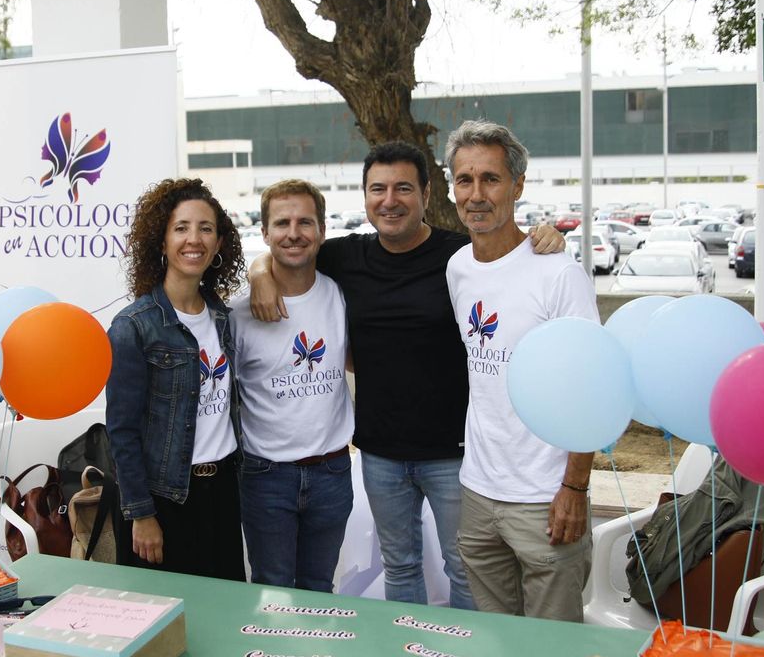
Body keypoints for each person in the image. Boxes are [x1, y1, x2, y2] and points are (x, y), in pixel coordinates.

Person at [250, 141, 564, 609]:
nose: (390, 200)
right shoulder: (345, 258)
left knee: (465, 569)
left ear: (426, 193)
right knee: (400, 565)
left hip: (455, 454)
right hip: (380, 453)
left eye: (403, 188)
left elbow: (512, 255)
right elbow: (288, 254)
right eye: (378, 189)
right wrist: (259, 271)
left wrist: (547, 236)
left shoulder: (461, 257)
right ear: (364, 197)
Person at [443, 120, 598, 620]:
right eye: (464, 180)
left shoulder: (559, 273)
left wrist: (574, 488)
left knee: (554, 653)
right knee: (498, 648)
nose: (476, 194)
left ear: (517, 185)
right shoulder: (458, 268)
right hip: (478, 493)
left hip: (545, 498)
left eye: (490, 178)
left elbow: (591, 389)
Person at [106, 177, 248, 580]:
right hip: (164, 500)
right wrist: (142, 514)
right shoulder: (134, 326)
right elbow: (121, 431)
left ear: (219, 243)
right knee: (161, 627)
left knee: (223, 616)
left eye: (206, 228)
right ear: (163, 240)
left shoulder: (223, 317)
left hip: (221, 493)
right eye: (181, 227)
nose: (194, 239)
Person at [230, 179, 354, 591]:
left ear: (321, 230)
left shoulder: (341, 296)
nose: (294, 233)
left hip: (332, 473)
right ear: (264, 233)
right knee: (273, 591)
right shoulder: (238, 313)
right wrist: (258, 270)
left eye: (305, 222)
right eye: (282, 223)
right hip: (266, 477)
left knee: (320, 589)